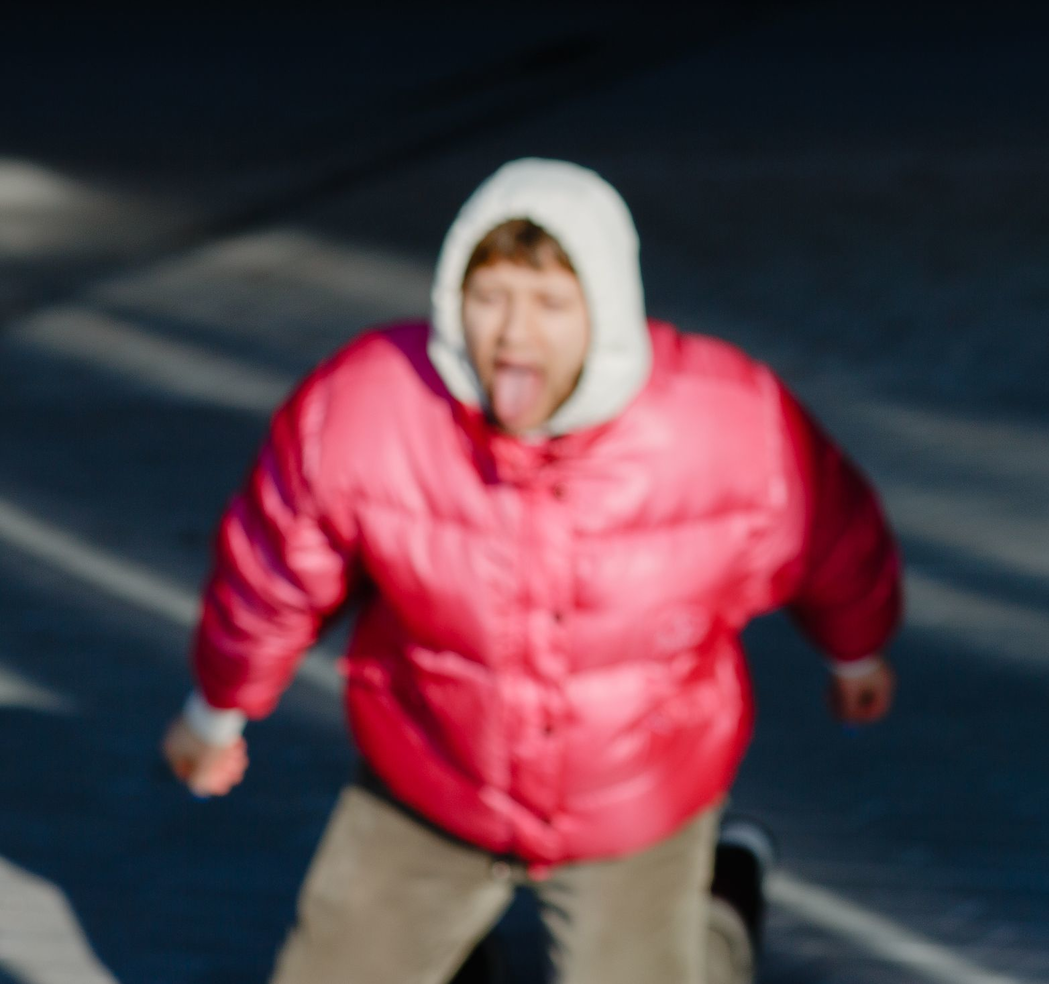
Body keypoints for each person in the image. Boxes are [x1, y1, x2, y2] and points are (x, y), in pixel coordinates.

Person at [161, 158, 903, 984]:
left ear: (607, 311)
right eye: (489, 296)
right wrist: (215, 712)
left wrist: (856, 651)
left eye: (551, 303)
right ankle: (453, 954)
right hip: (433, 777)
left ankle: (725, 895)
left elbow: (833, 534)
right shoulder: (367, 404)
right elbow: (270, 575)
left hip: (635, 792)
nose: (514, 333)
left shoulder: (728, 420)